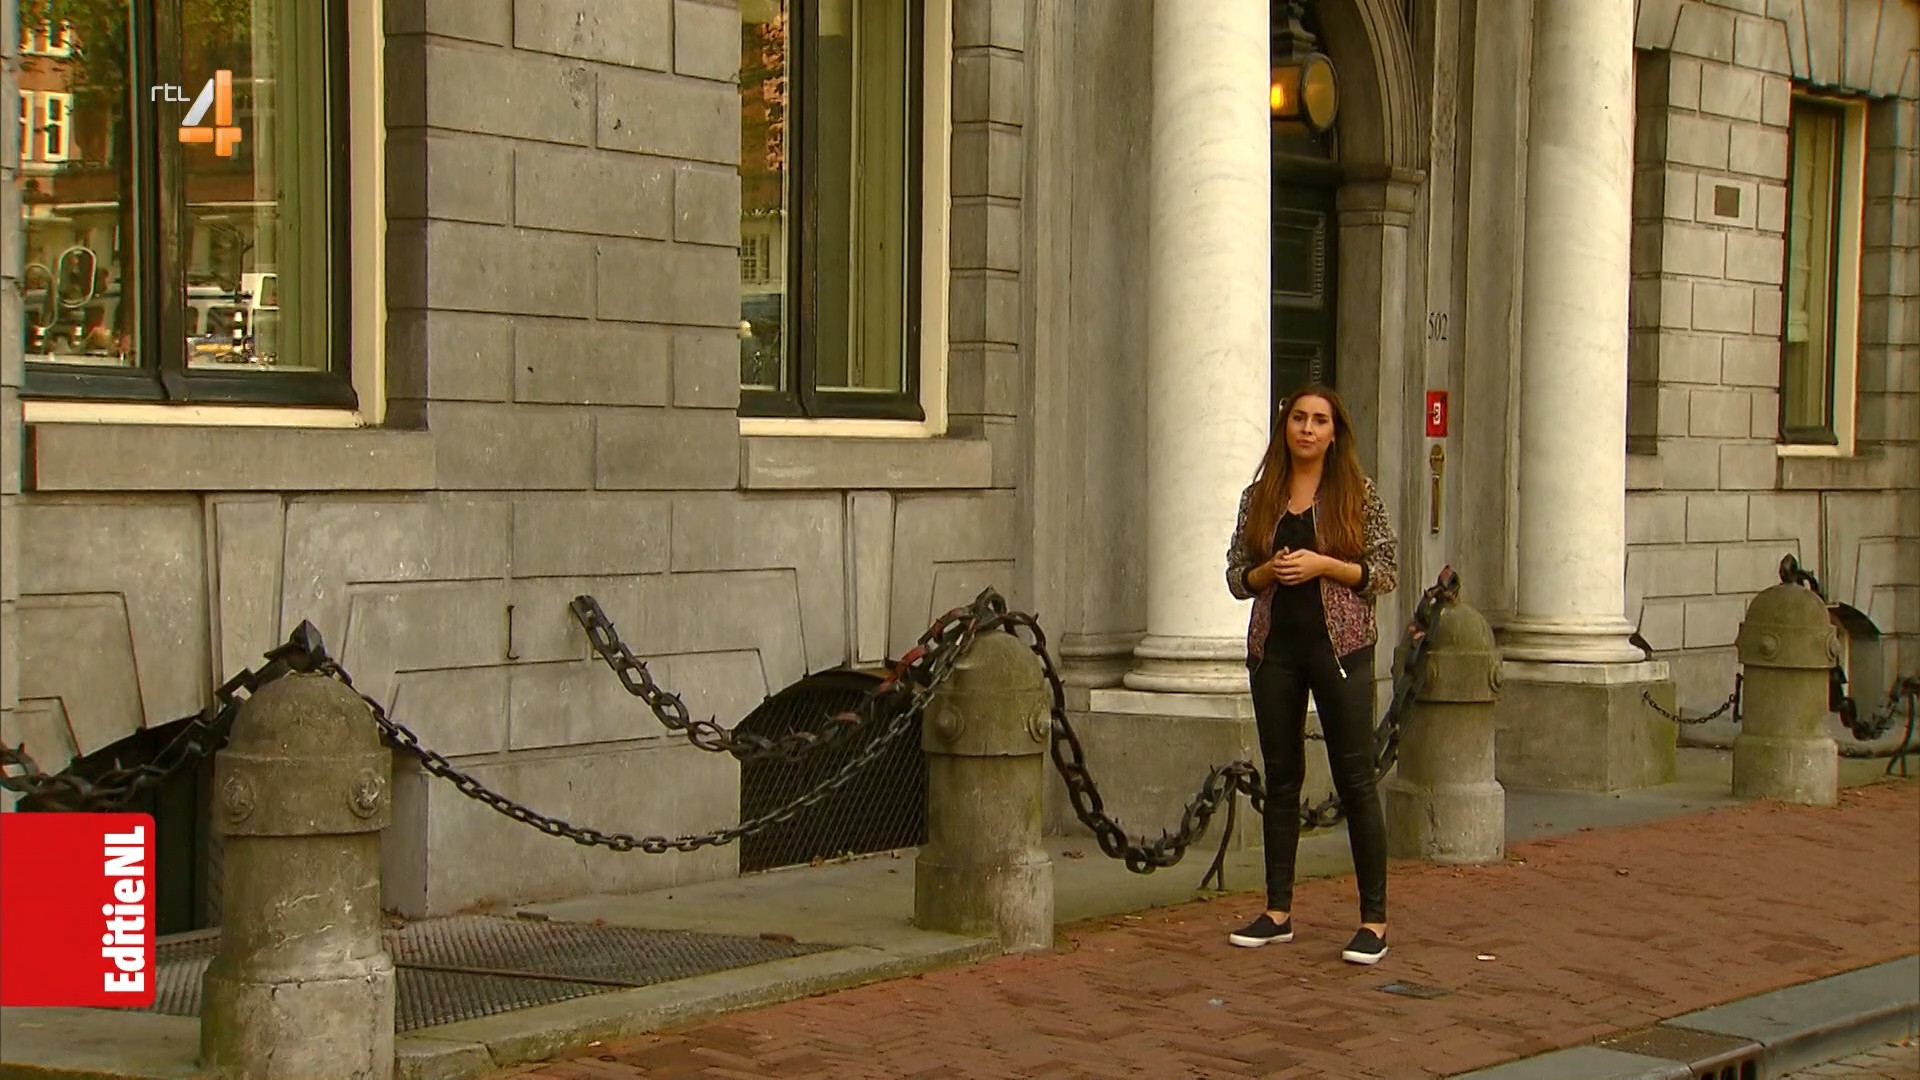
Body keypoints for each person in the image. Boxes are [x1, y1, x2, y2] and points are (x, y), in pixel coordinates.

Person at [1222, 384, 1399, 965]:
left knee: (1355, 779)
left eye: (1319, 420)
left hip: (1341, 651)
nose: (1307, 429)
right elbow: (1236, 576)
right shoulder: (1259, 497)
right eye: (1298, 418)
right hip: (1274, 652)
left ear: (1334, 432)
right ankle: (1277, 912)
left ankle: (1373, 920)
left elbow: (1385, 571)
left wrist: (1326, 565)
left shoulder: (1356, 493)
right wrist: (1266, 573)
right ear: (1286, 427)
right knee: (1281, 778)